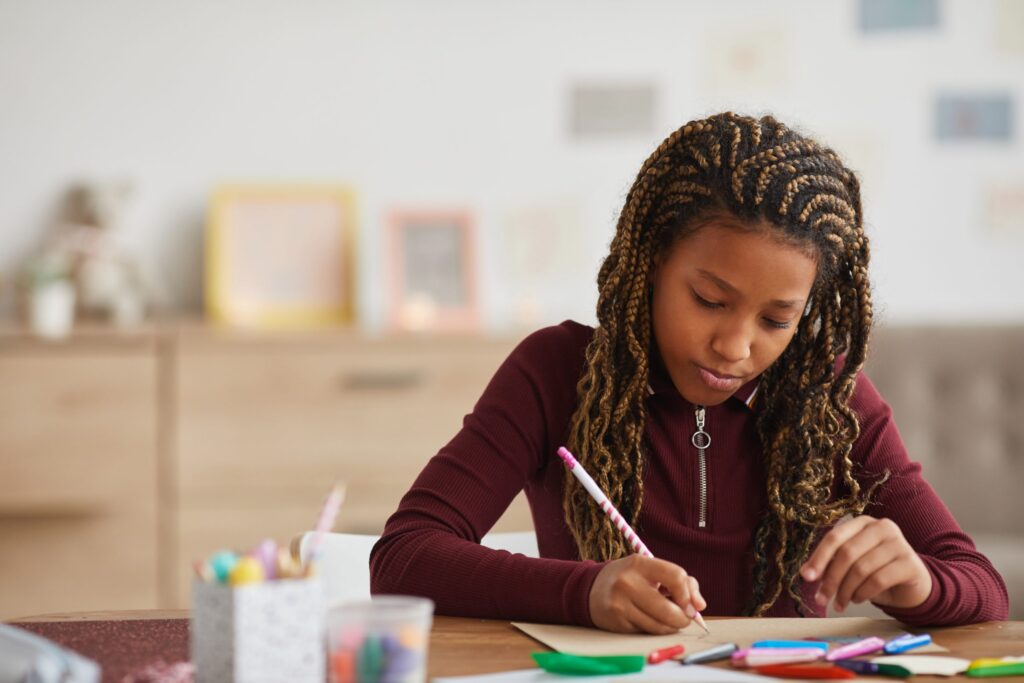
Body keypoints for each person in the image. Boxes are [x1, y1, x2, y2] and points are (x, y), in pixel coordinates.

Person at [369, 112, 1009, 632]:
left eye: (776, 320)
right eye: (709, 301)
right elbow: (404, 556)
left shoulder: (829, 398)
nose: (735, 346)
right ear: (650, 265)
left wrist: (920, 582)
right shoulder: (555, 372)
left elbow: (983, 587)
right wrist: (583, 592)